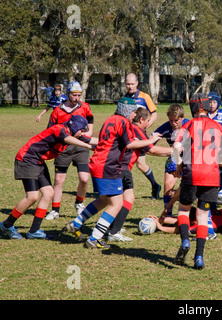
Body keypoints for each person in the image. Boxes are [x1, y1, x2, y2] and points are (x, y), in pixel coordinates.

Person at [62, 97, 162, 249]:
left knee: (103, 200)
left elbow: (104, 142)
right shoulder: (122, 122)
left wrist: (86, 139)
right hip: (108, 166)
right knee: (117, 204)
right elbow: (131, 144)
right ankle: (94, 238)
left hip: (98, 163)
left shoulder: (110, 120)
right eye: (133, 111)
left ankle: (76, 224)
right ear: (127, 111)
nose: (134, 114)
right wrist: (150, 140)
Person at [0, 115, 96, 240]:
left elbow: (92, 140)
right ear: (75, 127)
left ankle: (34, 231)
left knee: (48, 193)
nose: (83, 133)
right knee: (32, 196)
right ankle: (6, 226)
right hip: (27, 159)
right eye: (82, 130)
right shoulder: (60, 130)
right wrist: (88, 147)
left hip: (39, 162)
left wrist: (111, 142)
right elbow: (68, 139)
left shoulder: (73, 134)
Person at [171, 93, 222, 269]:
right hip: (212, 176)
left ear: (192, 109)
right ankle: (199, 257)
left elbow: (176, 147)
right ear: (207, 107)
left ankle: (185, 240)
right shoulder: (218, 126)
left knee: (183, 210)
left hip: (191, 174)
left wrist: (179, 164)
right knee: (203, 217)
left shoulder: (188, 125)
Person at [106, 107, 172, 242]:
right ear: (141, 119)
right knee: (126, 199)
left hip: (119, 167)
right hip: (122, 168)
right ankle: (113, 231)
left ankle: (111, 227)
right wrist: (173, 150)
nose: (148, 123)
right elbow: (151, 150)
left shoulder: (131, 127)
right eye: (148, 121)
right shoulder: (137, 130)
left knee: (120, 200)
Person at [45, 81, 94, 220]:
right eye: (74, 95)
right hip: (63, 148)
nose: (77, 98)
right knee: (59, 180)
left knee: (84, 179)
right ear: (68, 94)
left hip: (81, 146)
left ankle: (79, 203)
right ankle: (55, 210)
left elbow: (90, 118)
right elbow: (50, 129)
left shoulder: (85, 107)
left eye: (79, 95)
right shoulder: (58, 110)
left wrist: (89, 132)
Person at [124, 72, 161, 199]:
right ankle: (155, 185)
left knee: (138, 163)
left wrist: (145, 126)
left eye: (132, 84)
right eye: (128, 84)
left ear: (137, 83)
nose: (130, 86)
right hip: (127, 135)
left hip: (139, 135)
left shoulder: (144, 97)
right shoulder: (124, 98)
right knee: (137, 163)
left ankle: (155, 185)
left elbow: (154, 114)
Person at [152, 104, 189, 217]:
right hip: (175, 157)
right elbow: (152, 139)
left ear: (182, 117)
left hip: (191, 158)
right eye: (171, 120)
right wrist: (151, 139)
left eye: (176, 120)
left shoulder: (190, 125)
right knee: (168, 185)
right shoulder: (166, 127)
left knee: (192, 189)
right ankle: (168, 215)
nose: (173, 123)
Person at [149, 203, 222, 235]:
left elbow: (181, 229)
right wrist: (160, 220)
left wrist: (161, 227)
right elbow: (181, 220)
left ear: (194, 222)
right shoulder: (203, 214)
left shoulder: (200, 223)